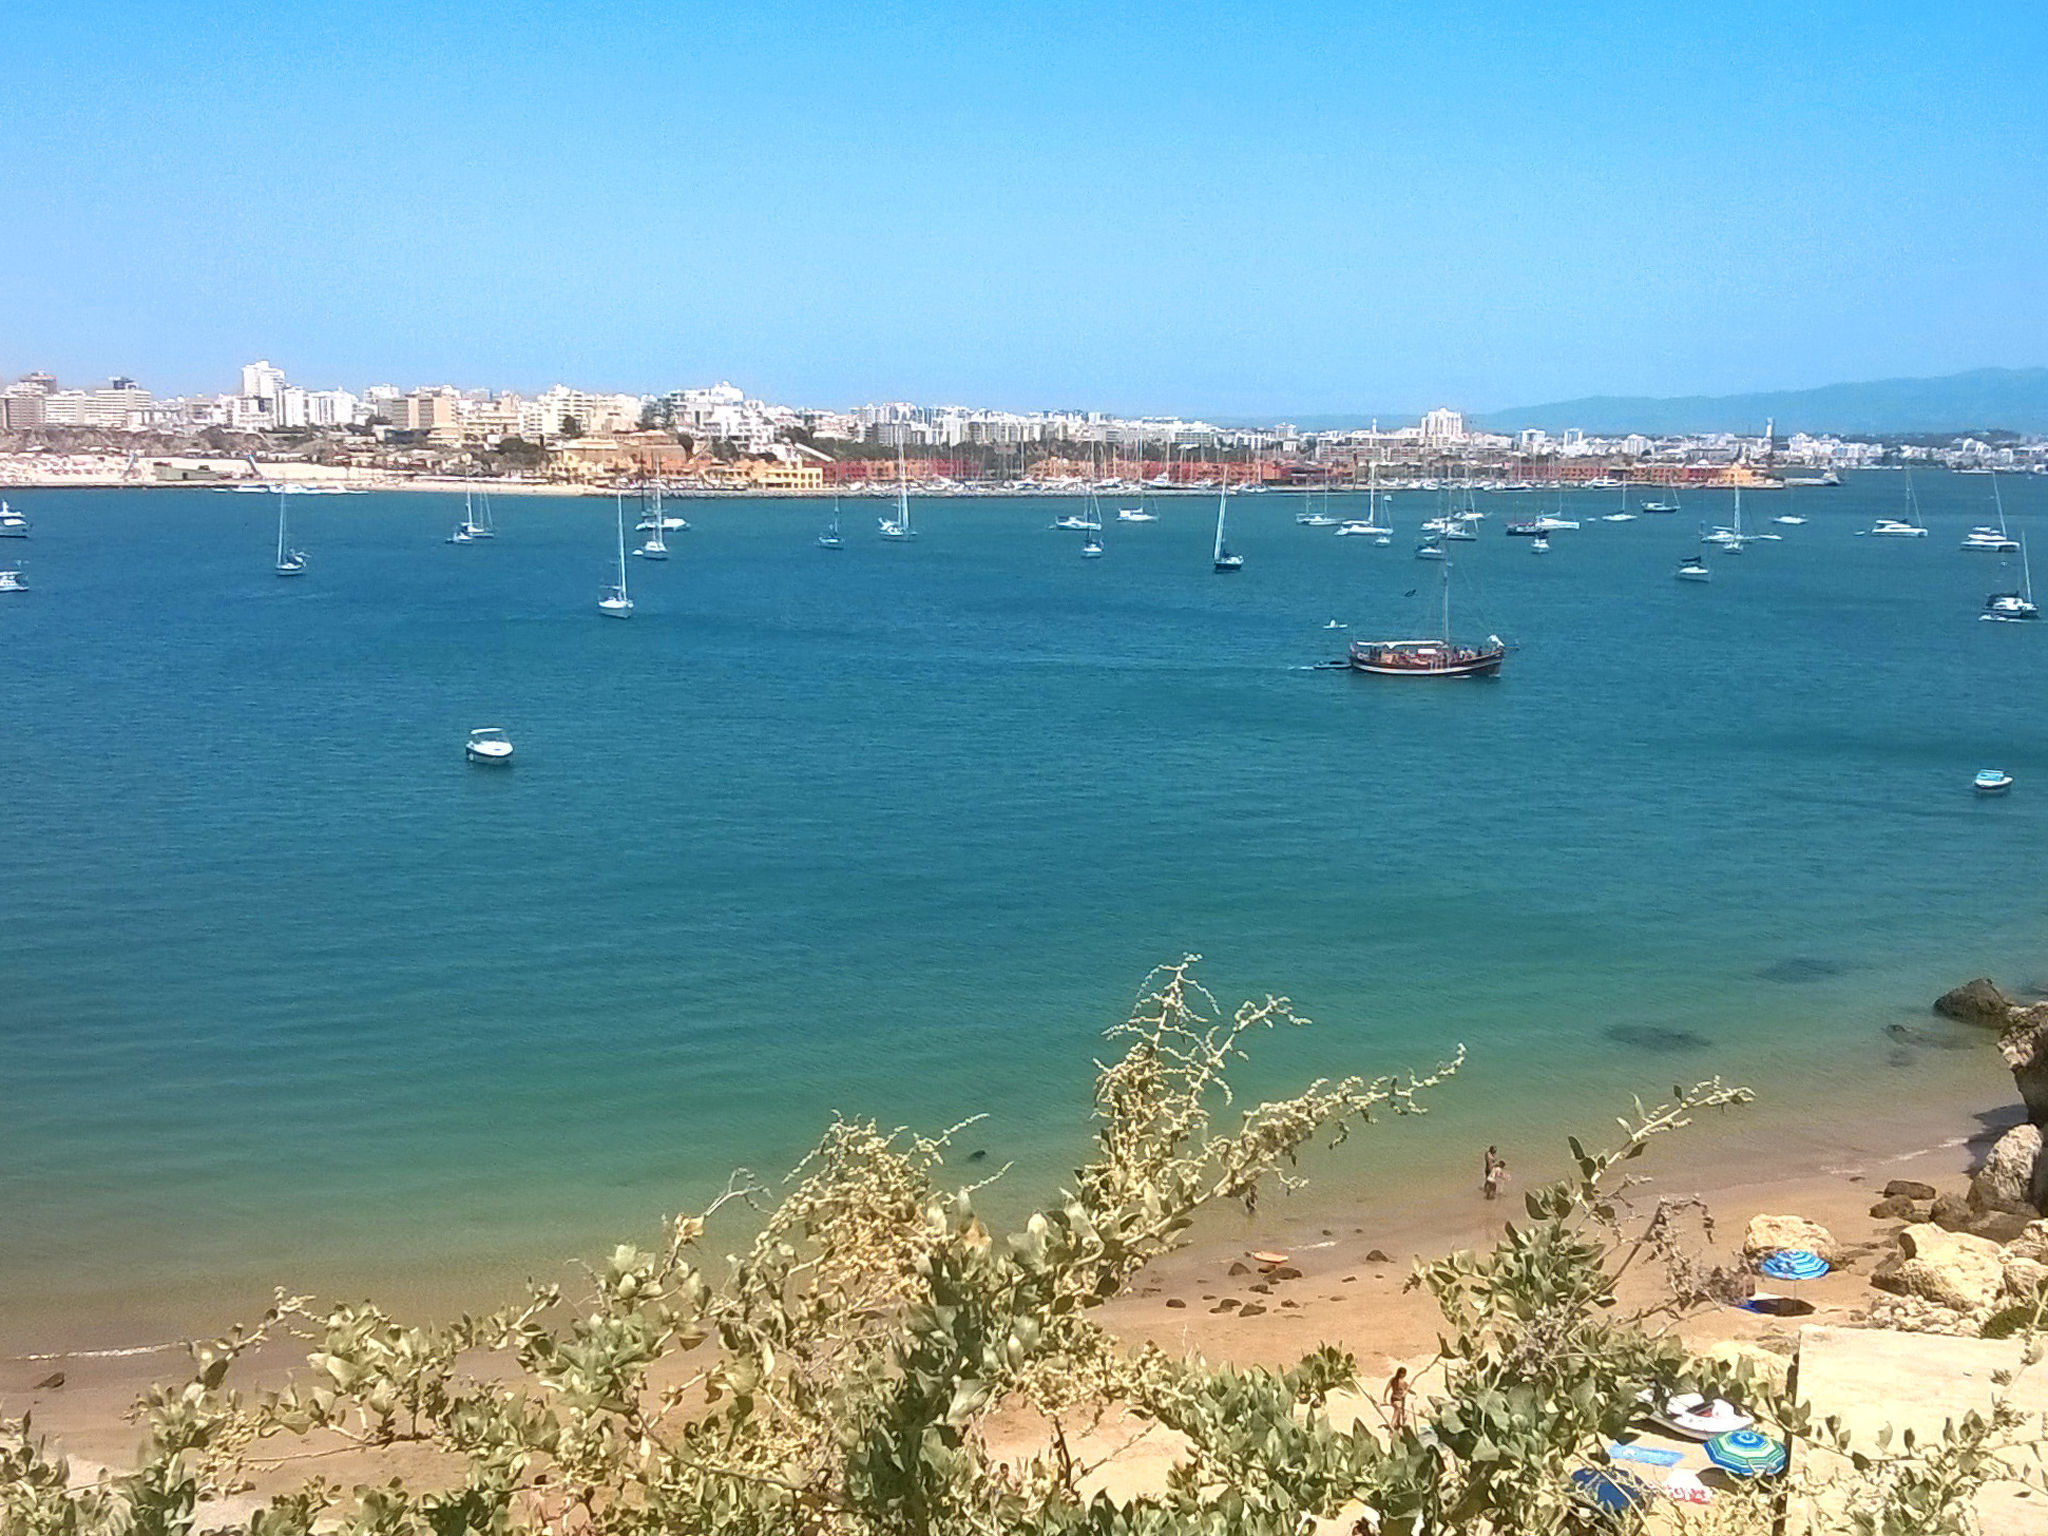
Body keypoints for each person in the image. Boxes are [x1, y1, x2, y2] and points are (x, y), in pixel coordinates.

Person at [1383, 1366, 1410, 1434]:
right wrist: (1413, 1393)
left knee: (1398, 1412)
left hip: (1392, 1399)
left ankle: (1398, 1424)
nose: (1405, 1375)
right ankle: (1391, 1429)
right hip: (1398, 1400)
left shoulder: (1393, 1380)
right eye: (1404, 1373)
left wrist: (1385, 1398)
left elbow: (1387, 1389)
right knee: (1396, 1414)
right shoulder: (1403, 1382)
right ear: (1402, 1374)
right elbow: (1408, 1389)